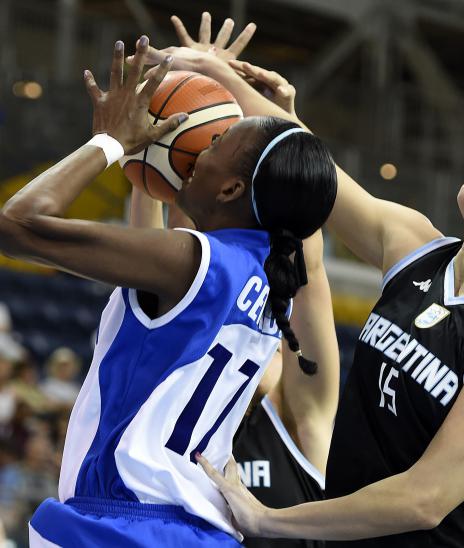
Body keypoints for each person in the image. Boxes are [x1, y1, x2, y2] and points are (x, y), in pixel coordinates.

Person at [146, 44, 464, 547]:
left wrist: (266, 519)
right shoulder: (415, 246)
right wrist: (218, 78)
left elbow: (425, 498)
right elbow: (316, 172)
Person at [0, 35, 337, 547]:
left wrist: (111, 141)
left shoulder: (196, 261)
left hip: (124, 526)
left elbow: (17, 225)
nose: (201, 149)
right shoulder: (267, 283)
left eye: (217, 142)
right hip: (196, 531)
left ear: (231, 189)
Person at [130, 18, 340, 548]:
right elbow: (177, 237)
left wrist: (280, 125)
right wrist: (184, 125)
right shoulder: (174, 391)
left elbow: (308, 260)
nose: (253, 342)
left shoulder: (301, 419)